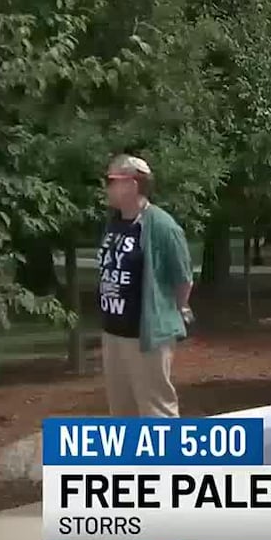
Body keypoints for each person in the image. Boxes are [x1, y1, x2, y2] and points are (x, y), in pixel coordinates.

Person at [98, 154, 193, 417]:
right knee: (121, 411)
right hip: (114, 333)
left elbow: (183, 280)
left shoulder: (162, 226)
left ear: (132, 184)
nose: (106, 186)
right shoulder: (114, 222)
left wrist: (171, 311)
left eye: (111, 180)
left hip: (146, 336)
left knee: (156, 411)